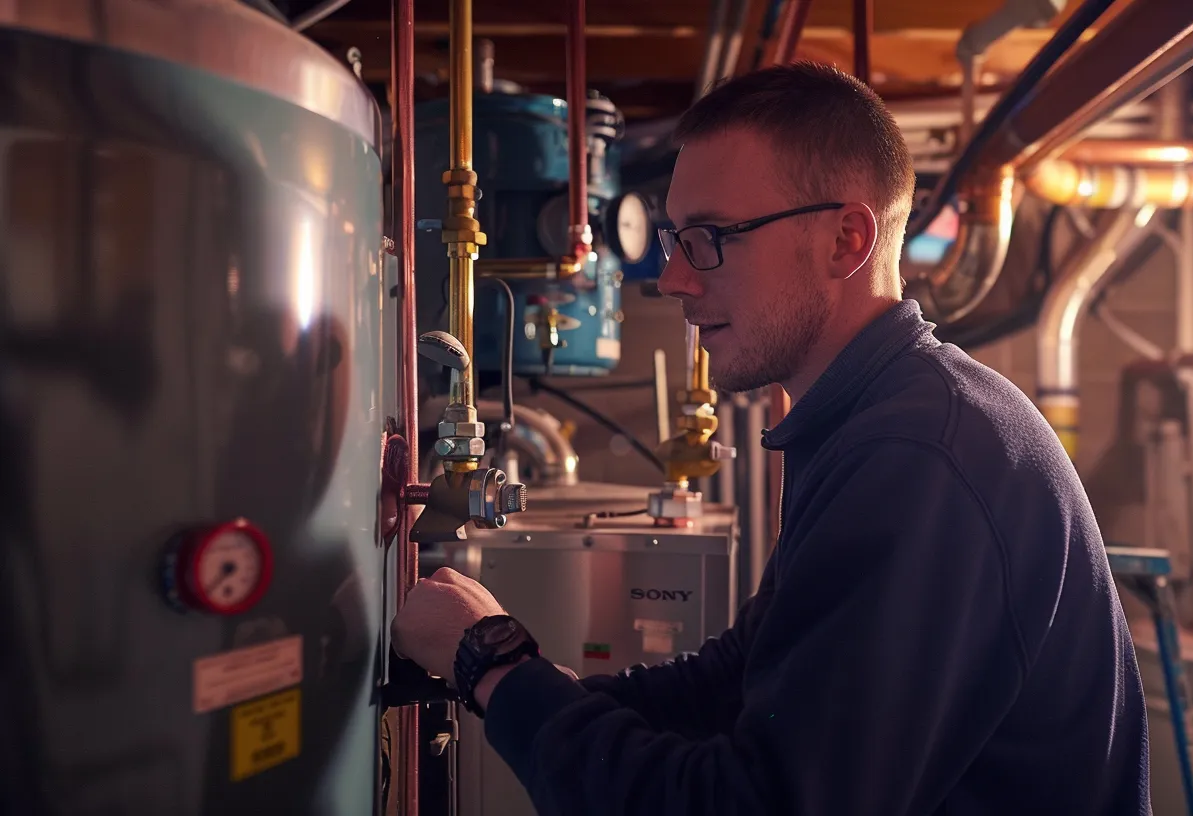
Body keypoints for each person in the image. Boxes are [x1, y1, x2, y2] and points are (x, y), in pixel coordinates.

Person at [392, 62, 1151, 815]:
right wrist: (533, 683)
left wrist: (492, 661)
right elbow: (737, 679)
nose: (675, 279)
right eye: (674, 238)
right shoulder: (876, 419)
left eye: (711, 238)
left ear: (845, 239)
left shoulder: (920, 458)